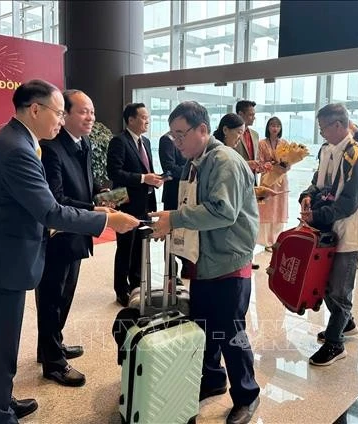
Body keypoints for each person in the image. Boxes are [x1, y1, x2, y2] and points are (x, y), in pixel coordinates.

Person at [0, 79, 139, 423]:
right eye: (59, 112)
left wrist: (97, 211)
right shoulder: (17, 150)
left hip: (4, 258)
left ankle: (1, 401)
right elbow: (50, 211)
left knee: (3, 343)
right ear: (36, 109)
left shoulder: (23, 141)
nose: (61, 119)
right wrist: (107, 221)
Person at [150, 101, 261, 424]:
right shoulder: (195, 162)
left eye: (181, 134)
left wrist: (175, 218)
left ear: (203, 129)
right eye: (173, 136)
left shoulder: (223, 160)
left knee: (231, 332)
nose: (177, 142)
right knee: (204, 327)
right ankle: (212, 379)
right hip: (203, 260)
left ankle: (247, 394)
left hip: (227, 262)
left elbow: (222, 211)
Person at [35, 89, 109, 387]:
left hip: (78, 232)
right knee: (51, 298)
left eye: (91, 111)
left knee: (65, 295)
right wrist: (93, 208)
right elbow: (56, 198)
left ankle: (51, 345)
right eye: (83, 111)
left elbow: (82, 186)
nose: (90, 117)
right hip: (57, 236)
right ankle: (53, 363)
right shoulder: (51, 147)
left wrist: (99, 197)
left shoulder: (84, 143)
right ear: (64, 114)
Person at [298, 103, 358, 366]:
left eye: (323, 128)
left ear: (339, 125)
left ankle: (335, 344)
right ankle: (346, 323)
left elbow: (350, 202)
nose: (322, 134)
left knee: (339, 289)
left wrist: (317, 215)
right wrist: (307, 196)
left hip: (348, 231)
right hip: (328, 229)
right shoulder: (328, 151)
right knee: (327, 282)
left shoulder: (357, 157)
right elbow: (320, 181)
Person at [106, 103, 165, 307]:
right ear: (130, 119)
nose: (147, 120)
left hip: (146, 202)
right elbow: (114, 173)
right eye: (143, 117)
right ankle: (121, 289)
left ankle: (137, 284)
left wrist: (155, 179)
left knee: (142, 245)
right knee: (126, 247)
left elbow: (147, 167)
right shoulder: (118, 141)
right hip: (128, 203)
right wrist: (142, 178)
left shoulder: (146, 142)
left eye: (148, 117)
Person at [158, 130, 190, 278]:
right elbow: (169, 167)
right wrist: (191, 171)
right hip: (173, 194)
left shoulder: (189, 138)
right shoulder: (167, 140)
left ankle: (187, 266)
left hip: (187, 194)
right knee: (170, 233)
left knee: (187, 231)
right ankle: (171, 273)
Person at [235, 101, 261, 270]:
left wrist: (260, 166)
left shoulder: (256, 135)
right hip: (237, 183)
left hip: (252, 182)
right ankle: (238, 258)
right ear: (241, 114)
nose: (253, 117)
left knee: (251, 222)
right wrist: (248, 164)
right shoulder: (231, 134)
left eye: (253, 114)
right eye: (250, 114)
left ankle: (248, 257)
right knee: (238, 221)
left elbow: (255, 158)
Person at [257, 117, 290, 251]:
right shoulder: (261, 143)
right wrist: (269, 165)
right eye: (272, 125)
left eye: (277, 126)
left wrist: (284, 165)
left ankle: (277, 239)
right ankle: (266, 242)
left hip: (281, 180)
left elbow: (289, 164)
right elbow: (259, 162)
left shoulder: (285, 143)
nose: (275, 128)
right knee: (266, 208)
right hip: (267, 180)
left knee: (279, 208)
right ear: (268, 127)